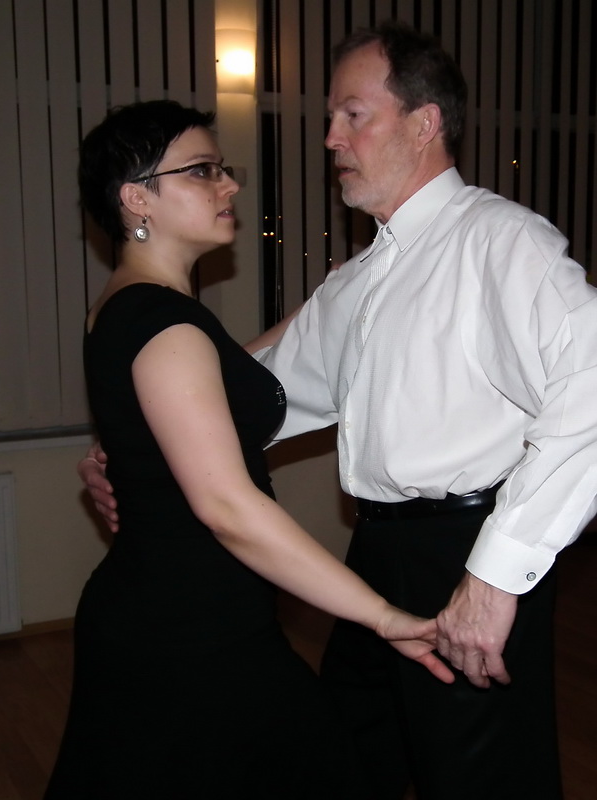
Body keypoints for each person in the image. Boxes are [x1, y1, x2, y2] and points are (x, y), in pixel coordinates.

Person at [79, 21, 597, 800]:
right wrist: (128, 445)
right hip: (375, 556)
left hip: (467, 553)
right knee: (351, 760)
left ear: (423, 123)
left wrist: (494, 578)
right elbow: (250, 389)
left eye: (353, 115)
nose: (330, 138)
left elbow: (590, 383)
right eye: (330, 118)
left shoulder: (499, 242)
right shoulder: (358, 282)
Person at [46, 99, 454, 800]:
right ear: (136, 197)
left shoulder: (137, 309)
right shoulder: (163, 323)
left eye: (222, 168)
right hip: (186, 635)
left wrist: (337, 292)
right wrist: (383, 615)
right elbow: (228, 508)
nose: (229, 184)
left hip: (180, 617)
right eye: (202, 171)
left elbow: (224, 371)